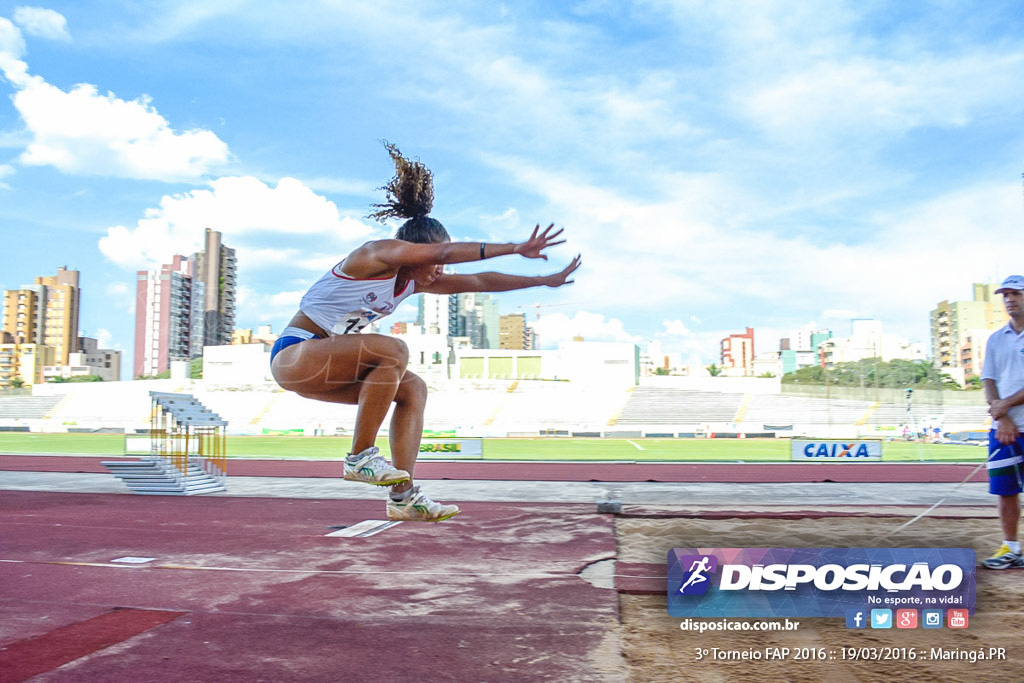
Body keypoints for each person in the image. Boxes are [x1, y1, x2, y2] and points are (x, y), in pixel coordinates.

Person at [270, 142, 581, 522]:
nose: (439, 270)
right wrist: (516, 246)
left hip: (326, 367)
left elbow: (479, 280)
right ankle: (360, 457)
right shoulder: (375, 256)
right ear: (412, 251)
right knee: (394, 351)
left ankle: (404, 497)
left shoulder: (411, 283)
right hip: (295, 356)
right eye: (432, 260)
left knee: (413, 388)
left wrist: (543, 280)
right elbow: (445, 255)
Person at [980, 274, 1024, 569]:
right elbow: (988, 380)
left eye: (1015, 293)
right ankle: (1011, 548)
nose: (1009, 299)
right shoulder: (996, 339)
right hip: (1005, 430)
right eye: (1005, 294)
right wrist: (1004, 418)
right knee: (1006, 490)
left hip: (1008, 418)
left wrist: (1003, 405)